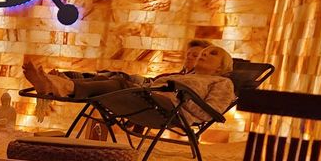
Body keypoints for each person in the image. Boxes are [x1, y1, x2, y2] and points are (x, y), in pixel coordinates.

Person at [22, 42, 236, 124]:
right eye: (204, 52)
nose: (203, 54)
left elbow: (209, 113)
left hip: (170, 111)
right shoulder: (183, 75)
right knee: (110, 80)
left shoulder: (222, 83)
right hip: (151, 98)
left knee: (119, 85)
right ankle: (54, 83)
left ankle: (63, 86)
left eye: (213, 53)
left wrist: (183, 97)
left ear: (221, 66)